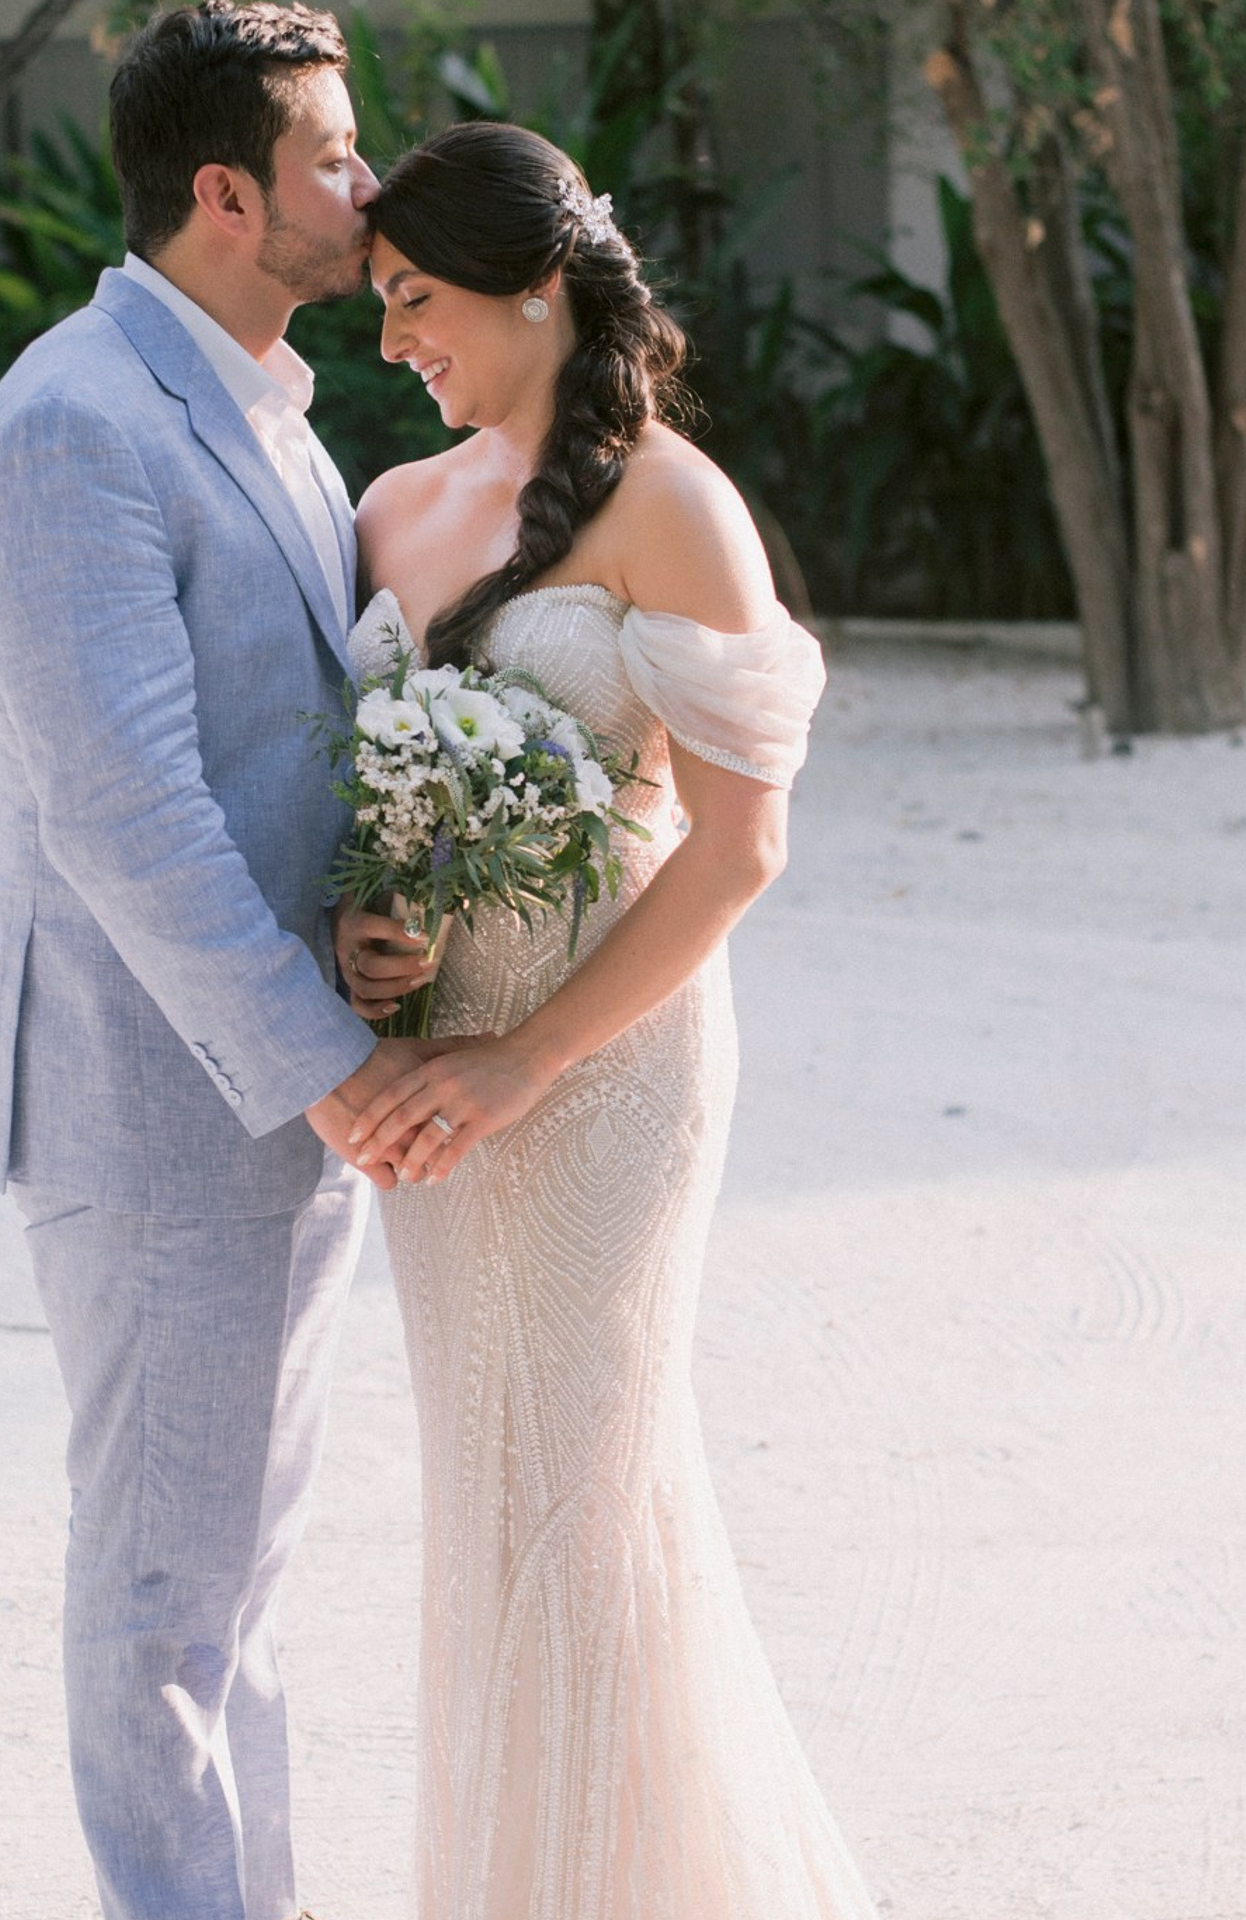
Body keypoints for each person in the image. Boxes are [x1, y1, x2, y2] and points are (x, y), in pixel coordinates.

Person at [334, 122, 880, 1919]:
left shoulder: (674, 501)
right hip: (433, 1086)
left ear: (538, 284)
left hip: (608, 1080)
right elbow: (362, 810)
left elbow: (741, 851)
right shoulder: (395, 510)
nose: (392, 335)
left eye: (417, 298)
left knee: (588, 1499)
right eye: (382, 300)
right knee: (482, 1518)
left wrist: (527, 1054)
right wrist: (370, 934)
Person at [0, 6, 440, 1916]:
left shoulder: (263, 414)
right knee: (163, 1597)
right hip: (159, 1114)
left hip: (270, 1090)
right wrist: (337, 1065)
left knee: (237, 1588)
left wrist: (366, 938)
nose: (368, 186)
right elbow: (123, 818)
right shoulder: (76, 427)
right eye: (333, 154)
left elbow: (262, 763)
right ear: (226, 193)